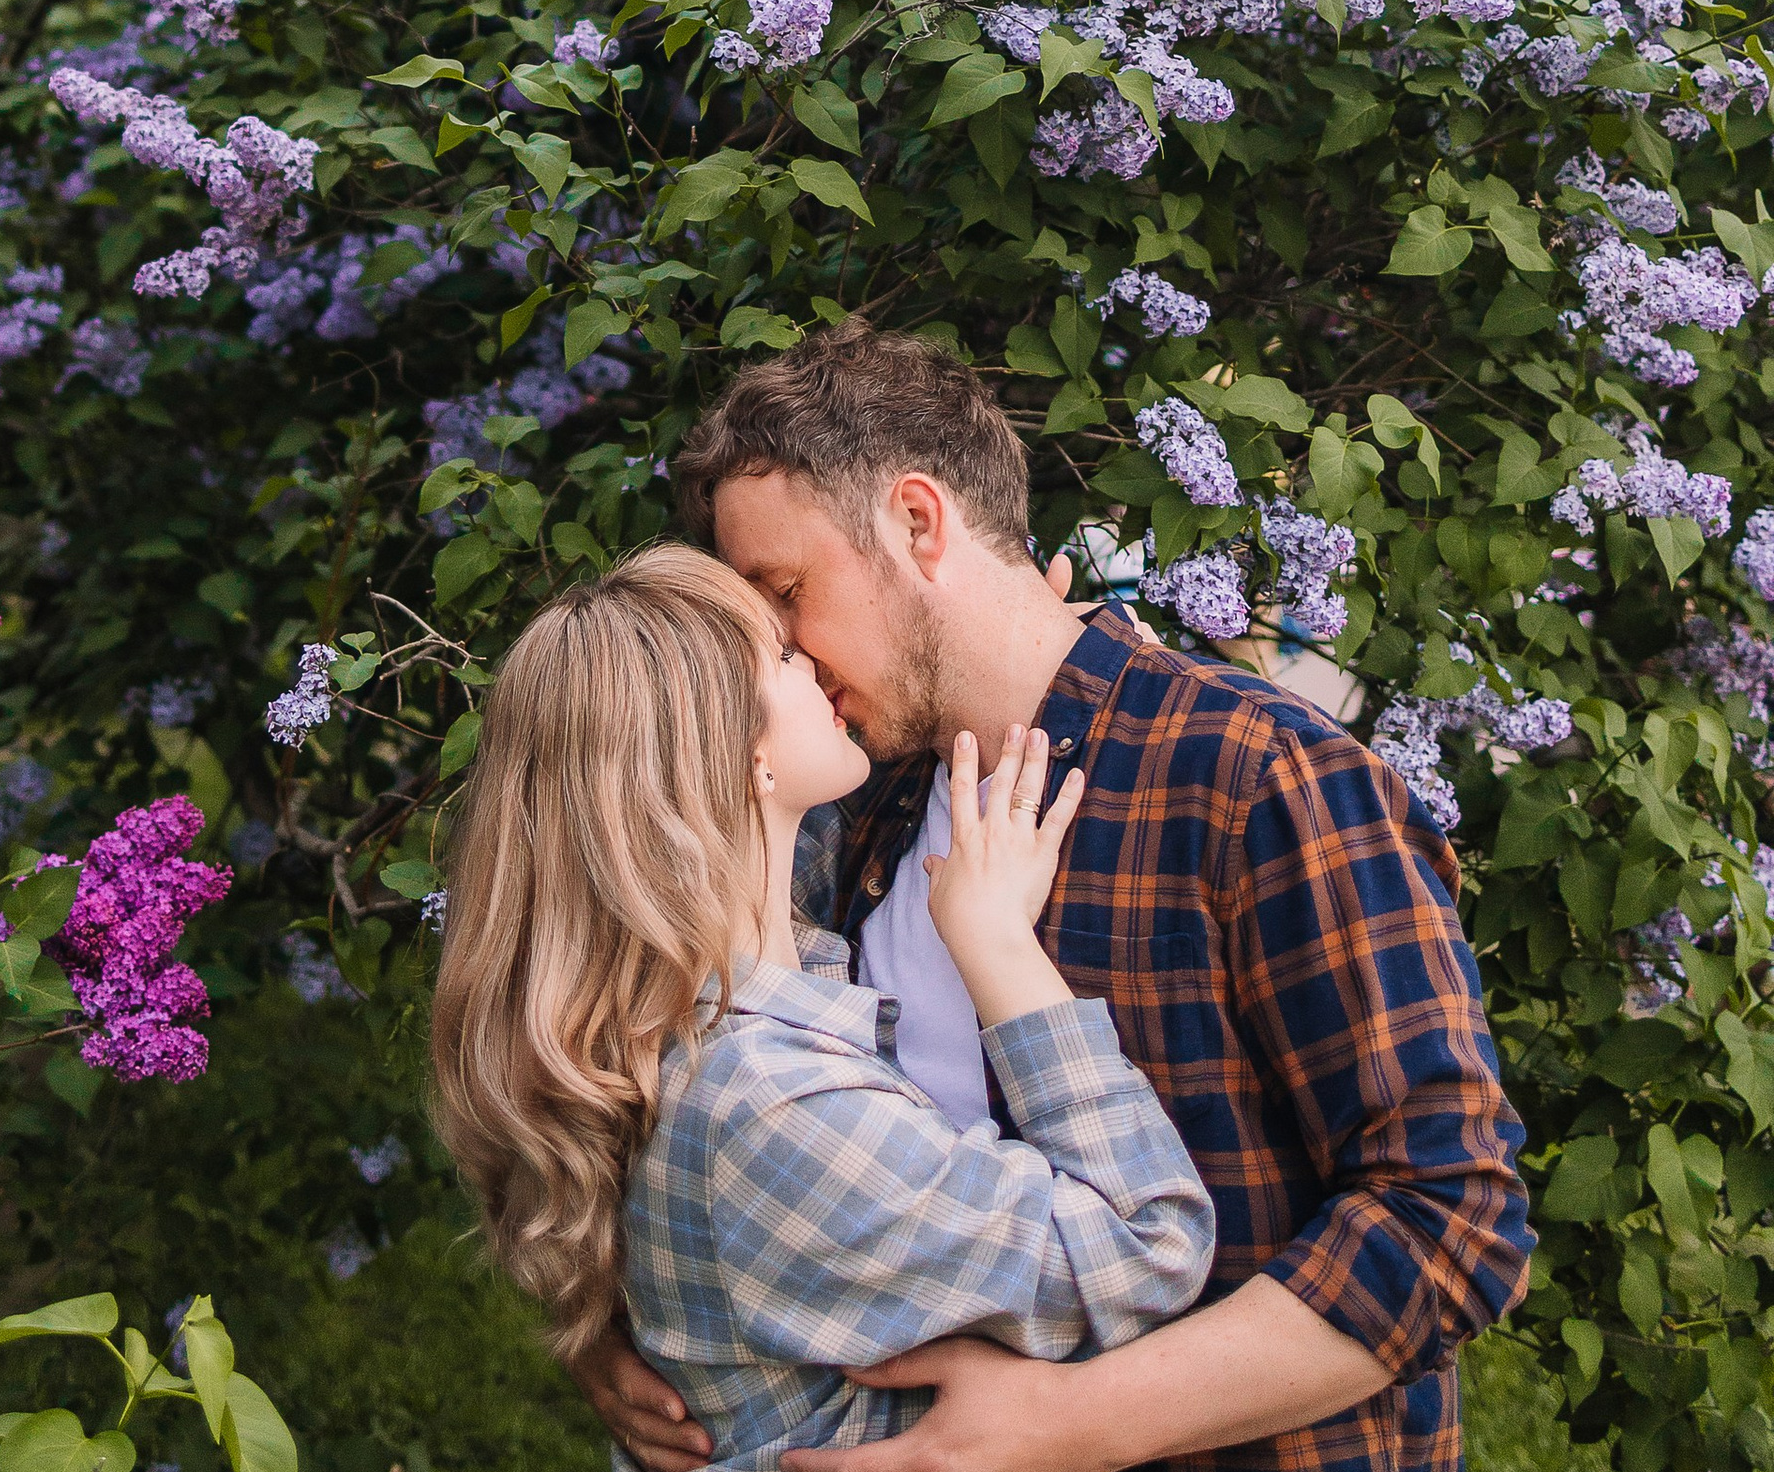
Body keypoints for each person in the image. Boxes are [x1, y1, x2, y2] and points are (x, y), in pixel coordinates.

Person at [574, 323, 1531, 1472]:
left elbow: (1447, 1223)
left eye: (787, 591)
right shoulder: (864, 800)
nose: (783, 649)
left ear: (916, 523)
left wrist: (1068, 1427)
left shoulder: (1256, 780)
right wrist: (630, 1328)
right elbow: (678, 1068)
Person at [431, 543, 1218, 1472]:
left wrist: (1004, 629)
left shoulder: (684, 1007)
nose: (813, 656)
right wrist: (998, 942)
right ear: (748, 760)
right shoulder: (774, 1106)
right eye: (780, 653)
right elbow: (1147, 1246)